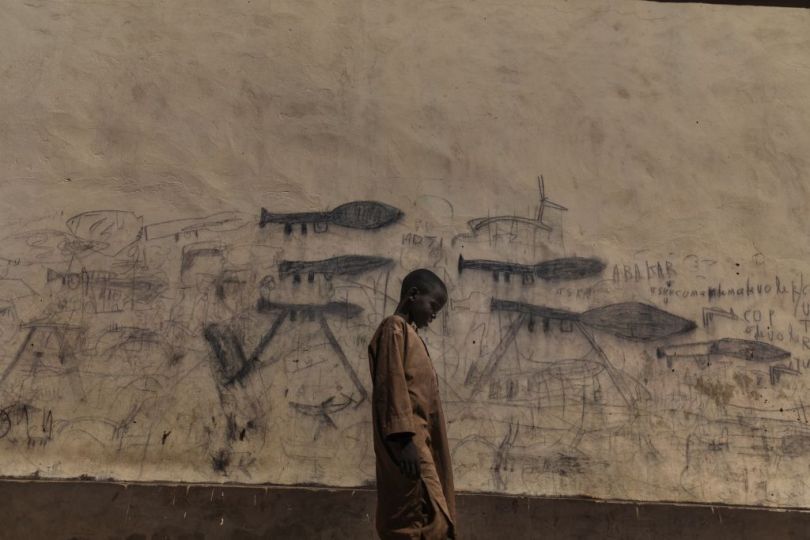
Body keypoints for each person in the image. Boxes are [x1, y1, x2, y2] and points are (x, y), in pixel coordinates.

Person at [368, 269, 456, 539]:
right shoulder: (394, 328)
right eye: (432, 305)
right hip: (408, 444)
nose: (434, 314)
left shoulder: (410, 334)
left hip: (422, 442)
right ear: (413, 295)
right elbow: (391, 384)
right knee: (417, 519)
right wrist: (404, 439)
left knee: (433, 516)